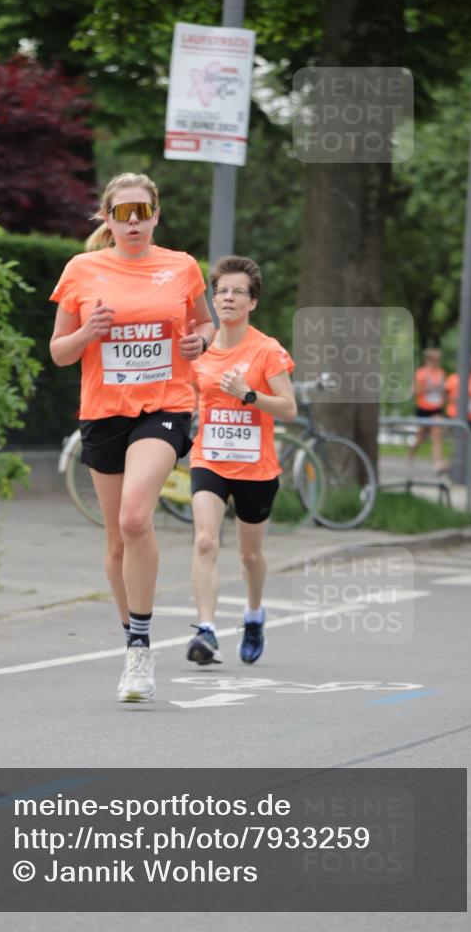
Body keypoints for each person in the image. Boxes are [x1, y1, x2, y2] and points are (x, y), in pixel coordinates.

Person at [49, 172, 214, 702]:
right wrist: (86, 333)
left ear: (156, 215)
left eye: (143, 211)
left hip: (164, 406)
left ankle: (141, 650)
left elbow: (206, 326)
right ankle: (132, 642)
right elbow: (59, 351)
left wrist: (198, 344)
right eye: (123, 213)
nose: (134, 221)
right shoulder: (82, 269)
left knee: (135, 516)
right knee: (117, 538)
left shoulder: (182, 266)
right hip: (103, 412)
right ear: (107, 218)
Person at [186, 256, 297, 667]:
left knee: (250, 556)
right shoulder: (201, 350)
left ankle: (253, 615)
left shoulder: (267, 351)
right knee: (205, 540)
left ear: (252, 303)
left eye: (237, 292)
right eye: (222, 292)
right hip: (209, 460)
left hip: (256, 467)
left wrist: (249, 394)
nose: (228, 298)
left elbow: (288, 409)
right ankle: (206, 630)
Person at [408, 348, 447, 475]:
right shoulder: (421, 373)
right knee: (421, 437)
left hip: (436, 409)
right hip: (423, 408)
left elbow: (443, 392)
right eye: (435, 359)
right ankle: (411, 454)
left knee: (437, 435)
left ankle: (437, 463)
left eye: (438, 359)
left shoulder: (441, 373)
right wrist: (428, 388)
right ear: (428, 359)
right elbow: (414, 391)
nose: (437, 362)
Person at [445, 356, 471, 442]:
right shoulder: (453, 378)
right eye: (469, 364)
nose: (470, 366)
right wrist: (455, 400)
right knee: (460, 438)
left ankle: (468, 454)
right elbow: (445, 395)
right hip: (456, 414)